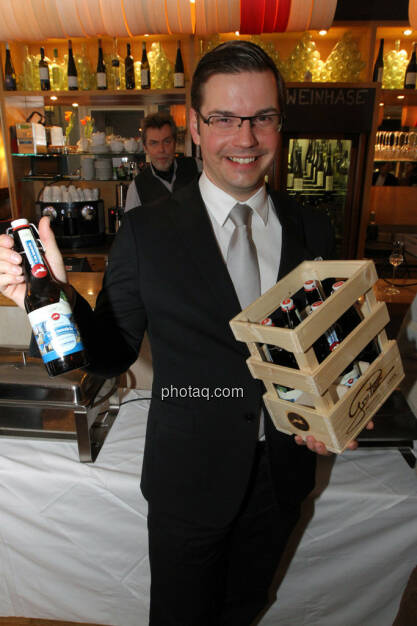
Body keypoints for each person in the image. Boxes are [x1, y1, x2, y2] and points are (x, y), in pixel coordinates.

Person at [0, 41, 371, 625]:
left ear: (279, 125)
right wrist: (52, 298)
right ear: (194, 127)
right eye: (224, 118)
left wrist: (344, 400)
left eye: (262, 118)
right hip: (189, 484)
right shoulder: (147, 233)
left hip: (282, 479)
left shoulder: (313, 227)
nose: (244, 138)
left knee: (248, 607)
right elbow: (115, 351)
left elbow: (326, 344)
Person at [124, 111, 201, 211]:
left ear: (175, 143)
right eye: (154, 143)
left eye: (167, 142)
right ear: (145, 148)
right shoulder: (137, 188)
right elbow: (132, 225)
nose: (161, 149)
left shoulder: (197, 167)